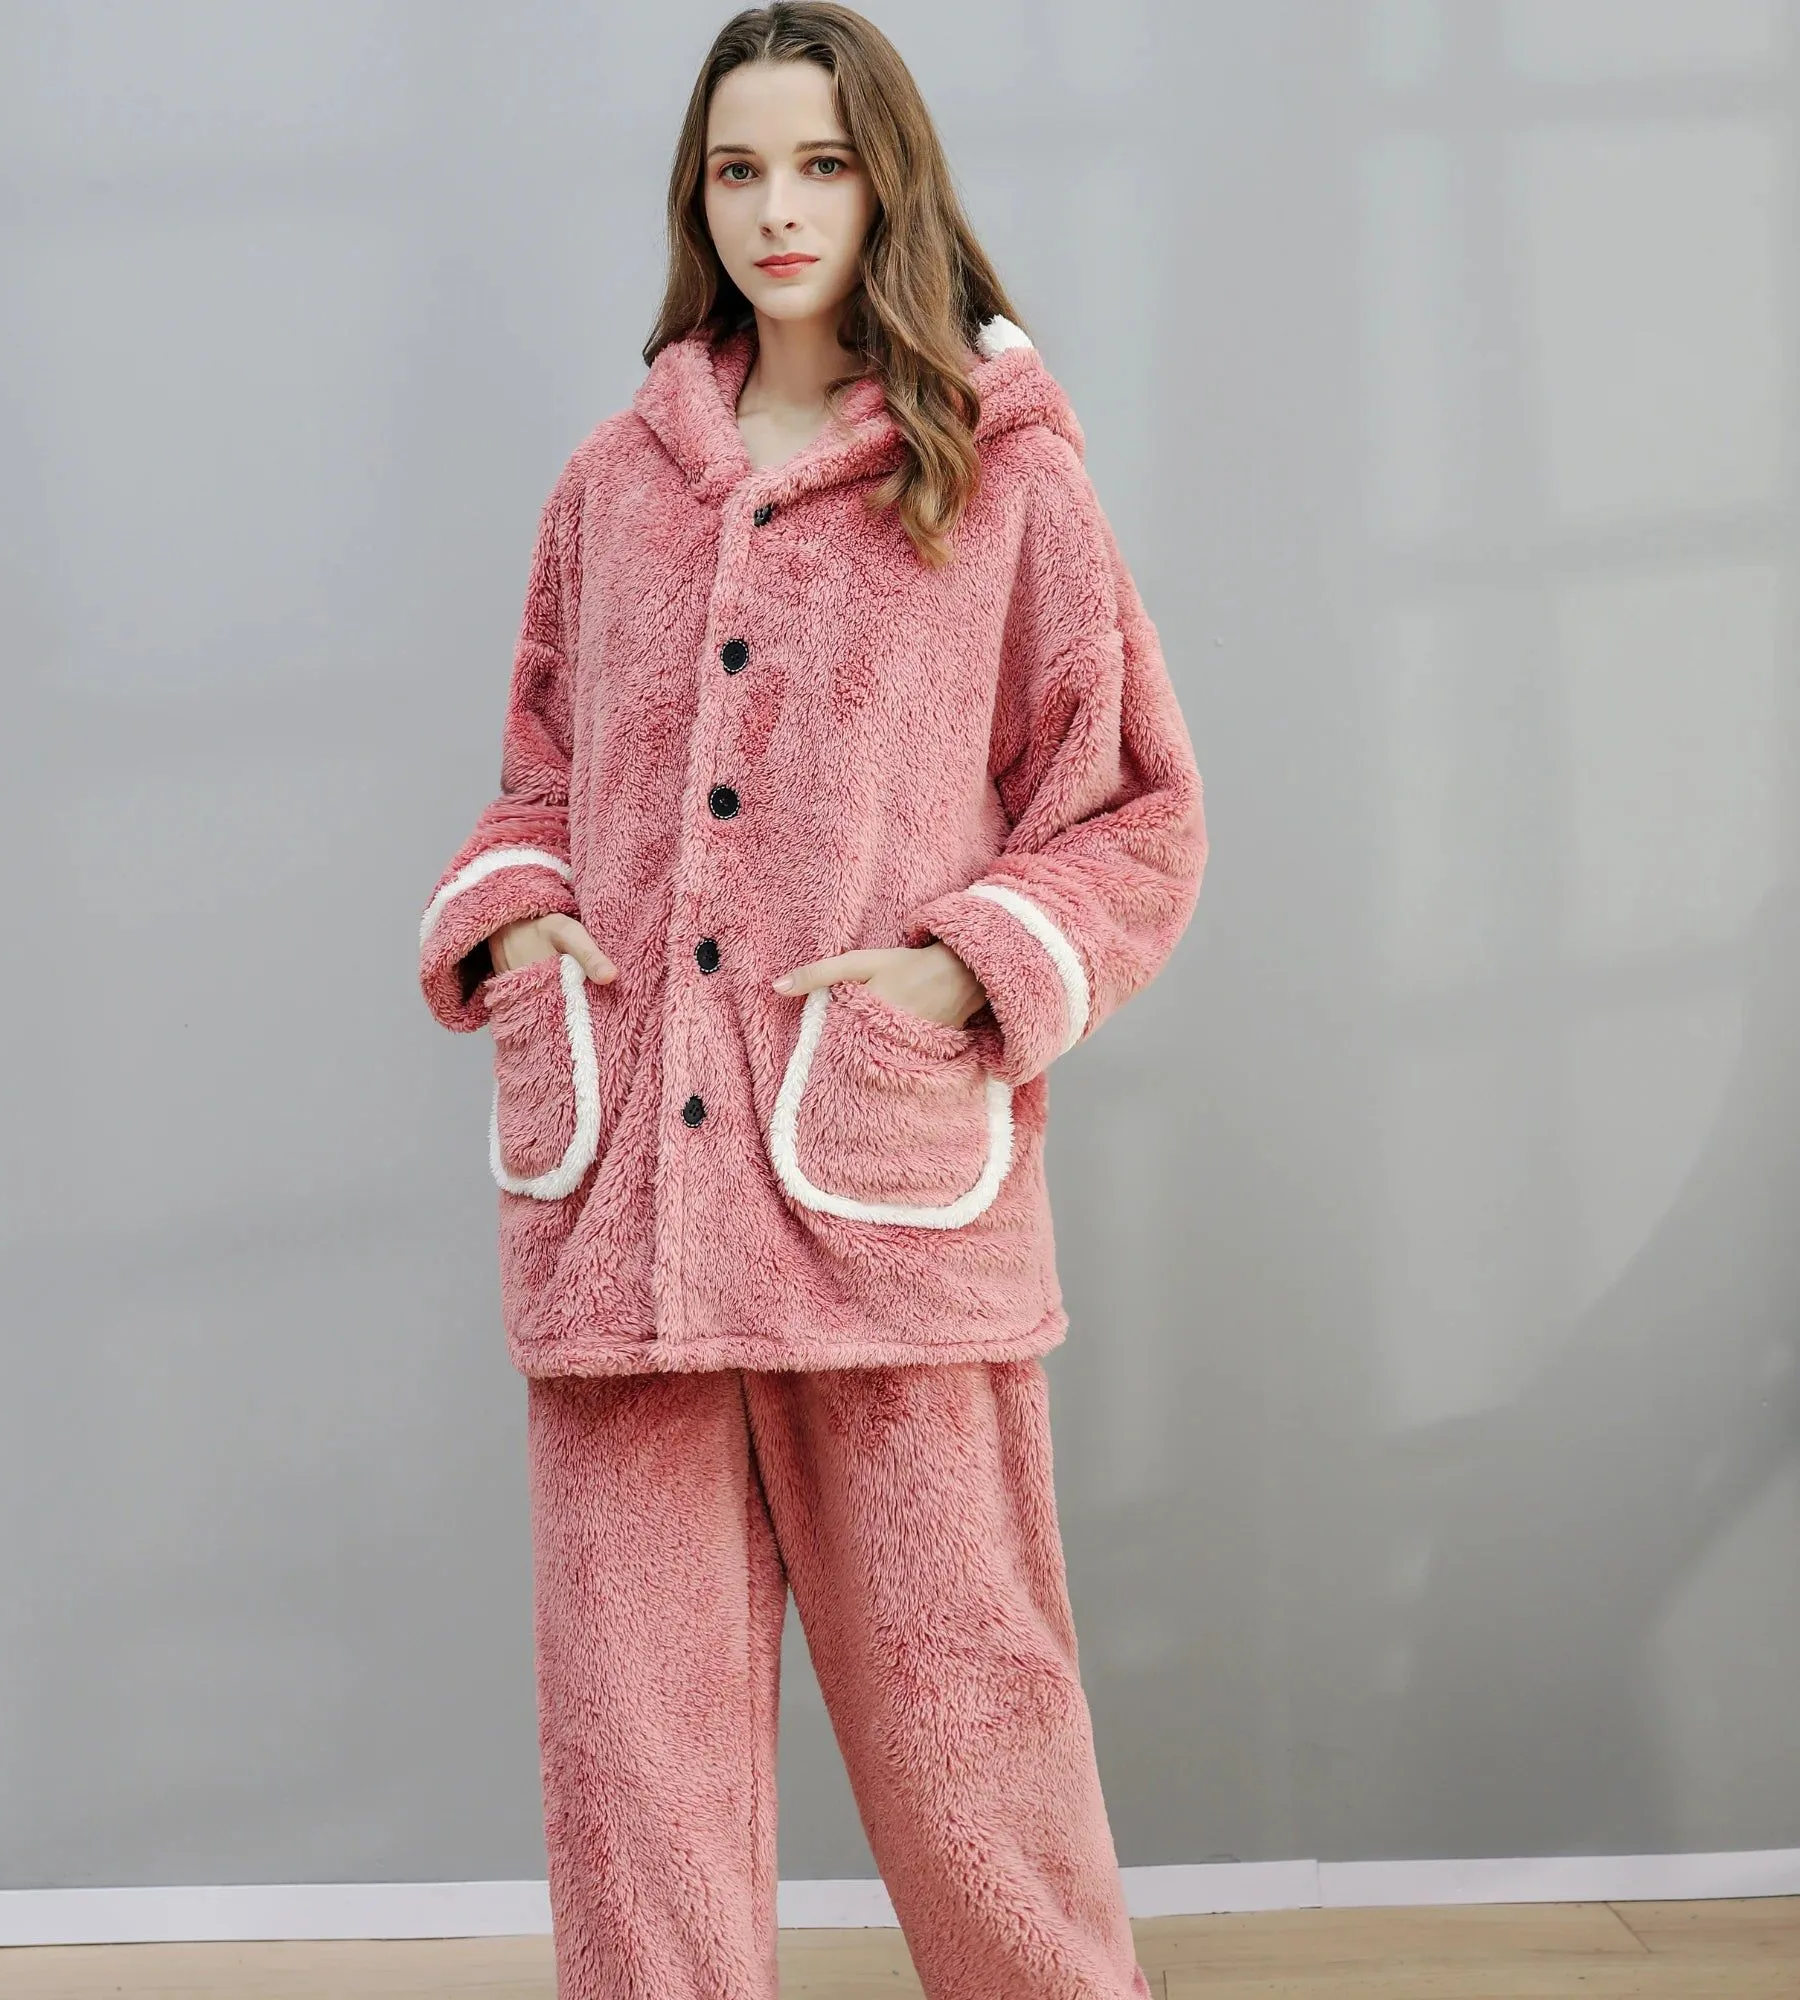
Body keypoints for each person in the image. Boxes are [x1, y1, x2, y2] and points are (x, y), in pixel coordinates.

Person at [416, 5, 1206, 1994]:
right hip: (629, 1220)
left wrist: (960, 968)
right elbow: (532, 785)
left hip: (882, 1192)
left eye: (823, 164)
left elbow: (1134, 813)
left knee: (973, 1730)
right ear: (697, 197)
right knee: (637, 1769)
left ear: (888, 185)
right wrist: (516, 928)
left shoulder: (1000, 478)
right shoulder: (611, 487)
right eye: (739, 168)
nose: (779, 208)